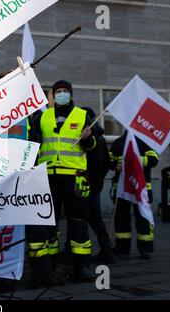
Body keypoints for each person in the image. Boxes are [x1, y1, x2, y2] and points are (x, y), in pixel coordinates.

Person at [27, 80, 96, 286]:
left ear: (71, 94)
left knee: (78, 222)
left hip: (75, 177)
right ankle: (52, 264)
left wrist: (87, 139)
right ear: (53, 95)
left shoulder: (83, 116)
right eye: (58, 91)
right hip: (48, 176)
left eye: (65, 91)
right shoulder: (43, 117)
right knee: (49, 222)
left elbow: (91, 146)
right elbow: (33, 143)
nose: (62, 94)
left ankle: (81, 265)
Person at [109, 131, 159, 259]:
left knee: (143, 218)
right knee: (120, 219)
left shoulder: (145, 141)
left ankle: (145, 248)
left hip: (141, 189)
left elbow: (154, 159)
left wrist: (136, 161)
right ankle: (122, 247)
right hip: (121, 189)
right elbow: (108, 160)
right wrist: (116, 165)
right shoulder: (118, 142)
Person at [81, 107, 115, 264]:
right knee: (91, 217)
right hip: (96, 183)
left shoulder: (92, 139)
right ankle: (106, 249)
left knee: (90, 217)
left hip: (88, 184)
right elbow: (106, 164)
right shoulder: (101, 138)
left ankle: (106, 249)